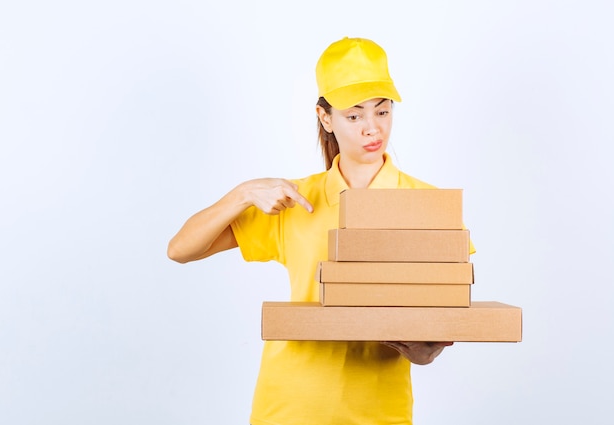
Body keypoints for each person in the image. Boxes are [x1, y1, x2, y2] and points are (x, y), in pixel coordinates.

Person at [168, 37, 471, 425]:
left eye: (382, 111)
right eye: (354, 115)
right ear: (326, 118)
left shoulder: (430, 205)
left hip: (379, 409)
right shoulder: (295, 200)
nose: (372, 128)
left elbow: (443, 320)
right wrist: (243, 193)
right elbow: (181, 249)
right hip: (290, 405)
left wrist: (426, 350)